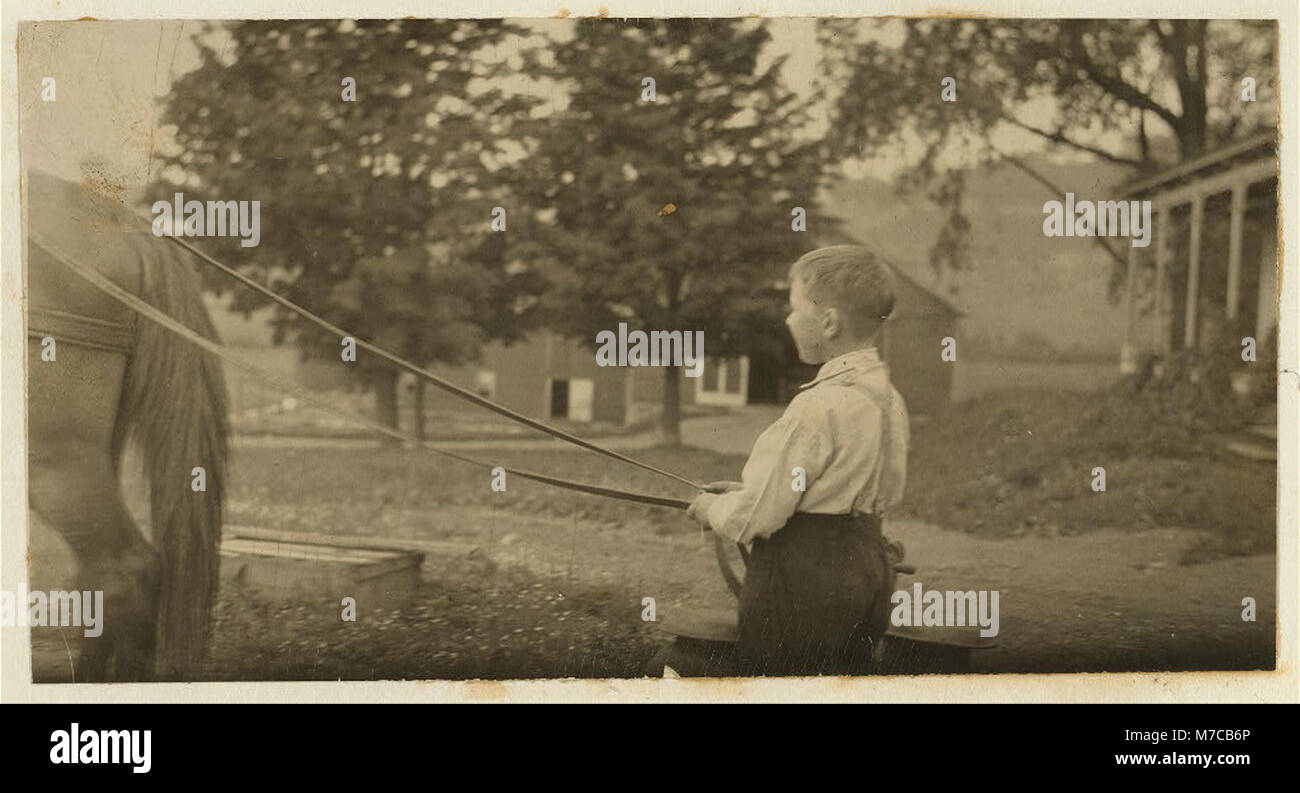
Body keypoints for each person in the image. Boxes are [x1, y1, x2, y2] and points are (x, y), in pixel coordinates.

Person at [686, 245, 909, 675]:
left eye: (793, 308)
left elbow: (755, 519)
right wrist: (753, 491)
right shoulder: (888, 400)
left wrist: (712, 507)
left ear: (828, 322)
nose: (787, 320)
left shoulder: (817, 407)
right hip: (869, 574)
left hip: (804, 585)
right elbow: (854, 488)